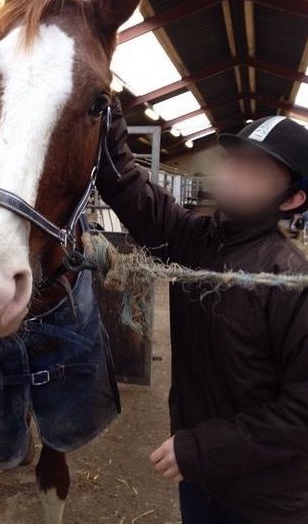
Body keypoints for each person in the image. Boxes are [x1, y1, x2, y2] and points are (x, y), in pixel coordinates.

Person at [96, 111, 308, 524]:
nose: (233, 173)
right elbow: (129, 189)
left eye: (256, 169)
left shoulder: (291, 282)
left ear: (291, 199)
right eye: (234, 159)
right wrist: (103, 105)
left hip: (265, 500)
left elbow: (302, 410)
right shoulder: (196, 241)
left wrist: (201, 449)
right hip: (201, 478)